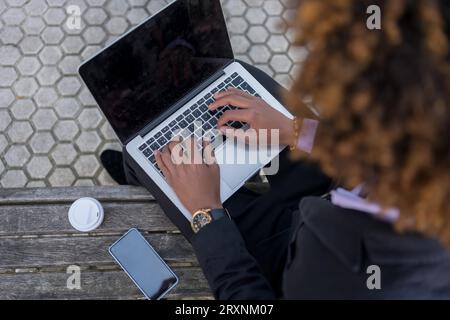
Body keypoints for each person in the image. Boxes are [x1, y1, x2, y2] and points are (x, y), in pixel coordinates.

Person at [101, 0, 450, 299]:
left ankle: (140, 180)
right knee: (239, 79)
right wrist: (294, 130)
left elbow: (249, 298)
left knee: (144, 154)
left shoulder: (351, 279)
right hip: (334, 188)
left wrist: (207, 214)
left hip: (284, 259)